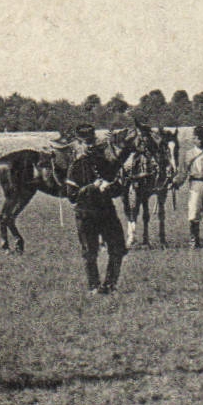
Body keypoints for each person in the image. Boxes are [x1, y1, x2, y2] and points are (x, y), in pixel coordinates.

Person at [63, 124, 127, 295]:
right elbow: (71, 195)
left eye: (92, 142)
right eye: (86, 143)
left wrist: (110, 186)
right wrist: (92, 187)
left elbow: (118, 189)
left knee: (118, 248)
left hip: (107, 212)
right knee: (90, 252)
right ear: (79, 144)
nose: (90, 146)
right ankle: (94, 286)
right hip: (86, 214)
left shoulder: (104, 162)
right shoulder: (75, 167)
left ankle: (110, 284)